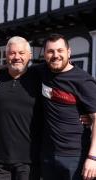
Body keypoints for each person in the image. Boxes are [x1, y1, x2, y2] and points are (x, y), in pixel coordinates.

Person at [38, 33, 96, 180]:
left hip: (75, 157)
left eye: (60, 50)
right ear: (44, 54)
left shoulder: (83, 80)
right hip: (47, 155)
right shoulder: (41, 71)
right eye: (50, 51)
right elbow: (18, 65)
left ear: (68, 52)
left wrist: (93, 157)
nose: (55, 55)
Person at [0, 36, 42, 180]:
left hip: (28, 161)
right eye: (12, 53)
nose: (17, 57)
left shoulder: (39, 77)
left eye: (21, 53)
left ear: (29, 56)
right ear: (6, 55)